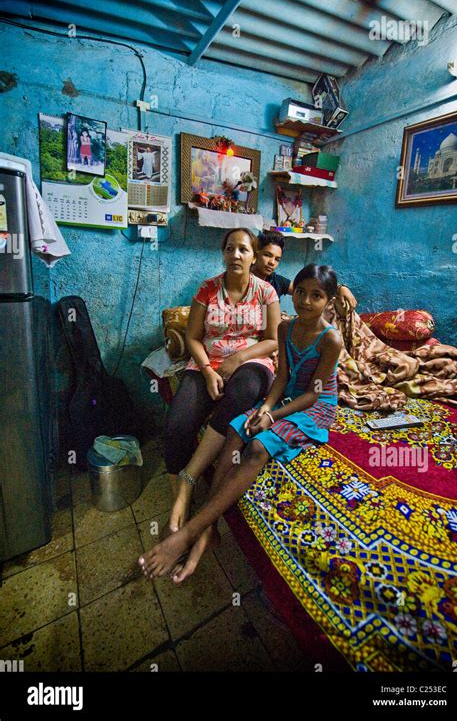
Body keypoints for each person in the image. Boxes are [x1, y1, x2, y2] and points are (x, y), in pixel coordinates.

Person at [139, 264, 342, 583]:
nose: (304, 301)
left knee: (259, 446)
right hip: (286, 397)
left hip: (314, 406)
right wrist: (269, 407)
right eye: (300, 292)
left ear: (329, 301)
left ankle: (192, 531)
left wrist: (273, 416)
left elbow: (315, 394)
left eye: (316, 296)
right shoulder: (286, 329)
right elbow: (284, 377)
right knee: (236, 430)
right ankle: (210, 529)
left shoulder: (331, 340)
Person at [160, 228, 281, 537]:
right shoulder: (208, 289)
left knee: (245, 389)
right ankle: (180, 500)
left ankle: (191, 476)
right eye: (230, 248)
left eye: (243, 249)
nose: (235, 255)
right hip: (207, 363)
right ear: (223, 253)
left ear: (254, 256)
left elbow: (272, 340)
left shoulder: (266, 292)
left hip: (252, 362)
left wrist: (238, 360)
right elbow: (192, 337)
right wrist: (208, 370)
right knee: (177, 425)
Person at [252, 231, 358, 310]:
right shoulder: (242, 279)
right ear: (255, 254)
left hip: (270, 328)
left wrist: (340, 288)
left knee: (339, 307)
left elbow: (311, 287)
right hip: (248, 330)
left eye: (277, 259)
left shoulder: (275, 281)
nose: (272, 262)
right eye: (267, 255)